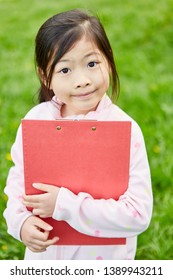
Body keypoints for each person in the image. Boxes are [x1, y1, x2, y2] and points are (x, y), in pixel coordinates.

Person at [3, 9, 153, 260]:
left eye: (92, 64)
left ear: (109, 61)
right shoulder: (36, 122)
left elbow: (138, 214)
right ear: (45, 77)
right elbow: (18, 188)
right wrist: (21, 223)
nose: (82, 80)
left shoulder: (124, 130)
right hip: (46, 262)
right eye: (65, 70)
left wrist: (65, 205)